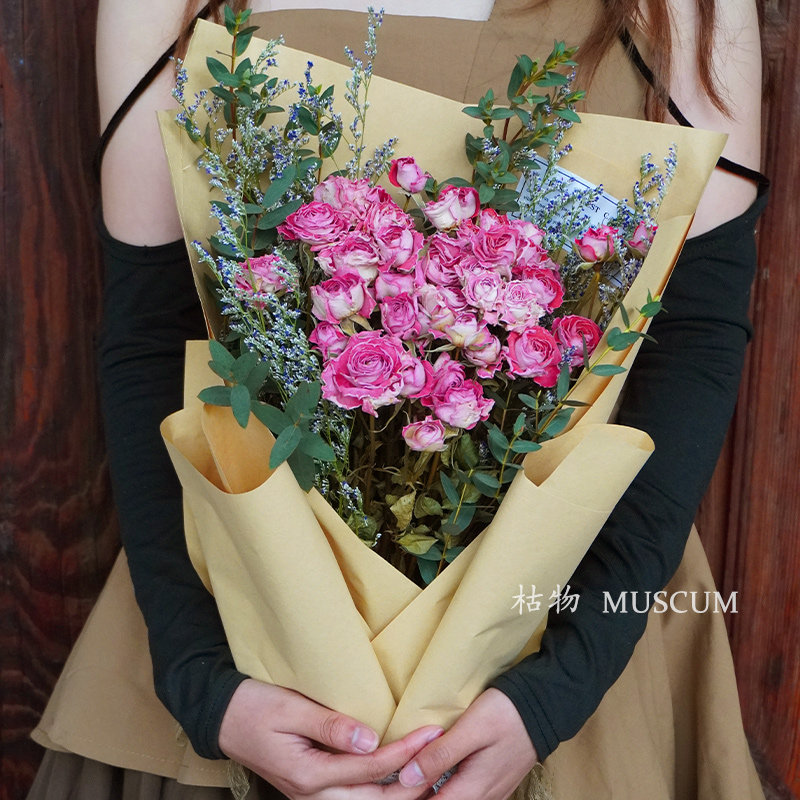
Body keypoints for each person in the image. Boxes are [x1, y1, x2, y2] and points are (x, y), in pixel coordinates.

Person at [28, 0, 767, 798]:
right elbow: (153, 336)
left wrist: (558, 688)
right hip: (242, 625)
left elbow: (693, 343)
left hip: (571, 627)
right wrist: (204, 681)